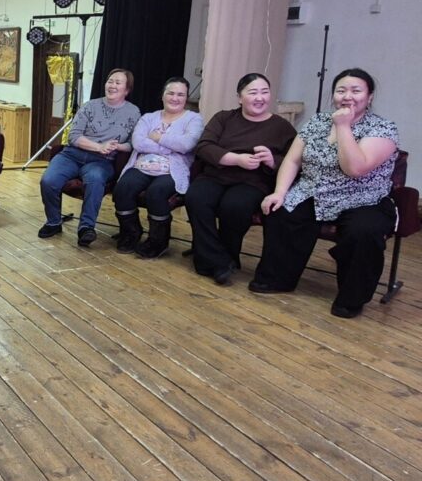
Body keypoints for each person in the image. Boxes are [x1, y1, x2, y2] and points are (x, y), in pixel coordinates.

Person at [250, 69, 398, 318]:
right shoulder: (317, 122)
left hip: (363, 198)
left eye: (356, 91)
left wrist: (343, 126)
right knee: (282, 212)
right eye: (341, 90)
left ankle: (351, 299)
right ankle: (277, 278)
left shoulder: (383, 128)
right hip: (314, 190)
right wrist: (279, 192)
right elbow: (293, 160)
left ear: (369, 96)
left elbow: (355, 169)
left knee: (363, 232)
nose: (347, 96)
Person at [184, 73, 296, 286]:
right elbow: (204, 146)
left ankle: (211, 259)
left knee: (235, 206)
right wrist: (236, 159)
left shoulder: (282, 127)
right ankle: (220, 261)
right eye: (253, 92)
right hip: (216, 174)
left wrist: (272, 160)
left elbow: (295, 161)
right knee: (196, 198)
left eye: (264, 92)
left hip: (253, 181)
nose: (259, 97)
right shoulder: (224, 118)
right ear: (239, 97)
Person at [39, 69, 140, 247]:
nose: (112, 85)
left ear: (127, 89)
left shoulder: (133, 112)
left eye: (118, 83)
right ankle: (53, 222)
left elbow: (133, 143)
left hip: (102, 161)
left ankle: (86, 228)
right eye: (110, 81)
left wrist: (118, 146)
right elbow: (73, 136)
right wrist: (99, 147)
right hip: (72, 155)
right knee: (48, 181)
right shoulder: (89, 106)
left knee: (95, 179)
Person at [112, 77, 203, 258]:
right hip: (142, 165)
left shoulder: (194, 119)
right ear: (162, 95)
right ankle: (131, 232)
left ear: (186, 98)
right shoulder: (148, 118)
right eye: (171, 93)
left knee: (157, 192)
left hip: (173, 169)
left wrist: (157, 137)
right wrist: (170, 147)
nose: (175, 98)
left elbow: (186, 145)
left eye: (180, 94)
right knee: (123, 188)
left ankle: (158, 241)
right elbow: (138, 143)